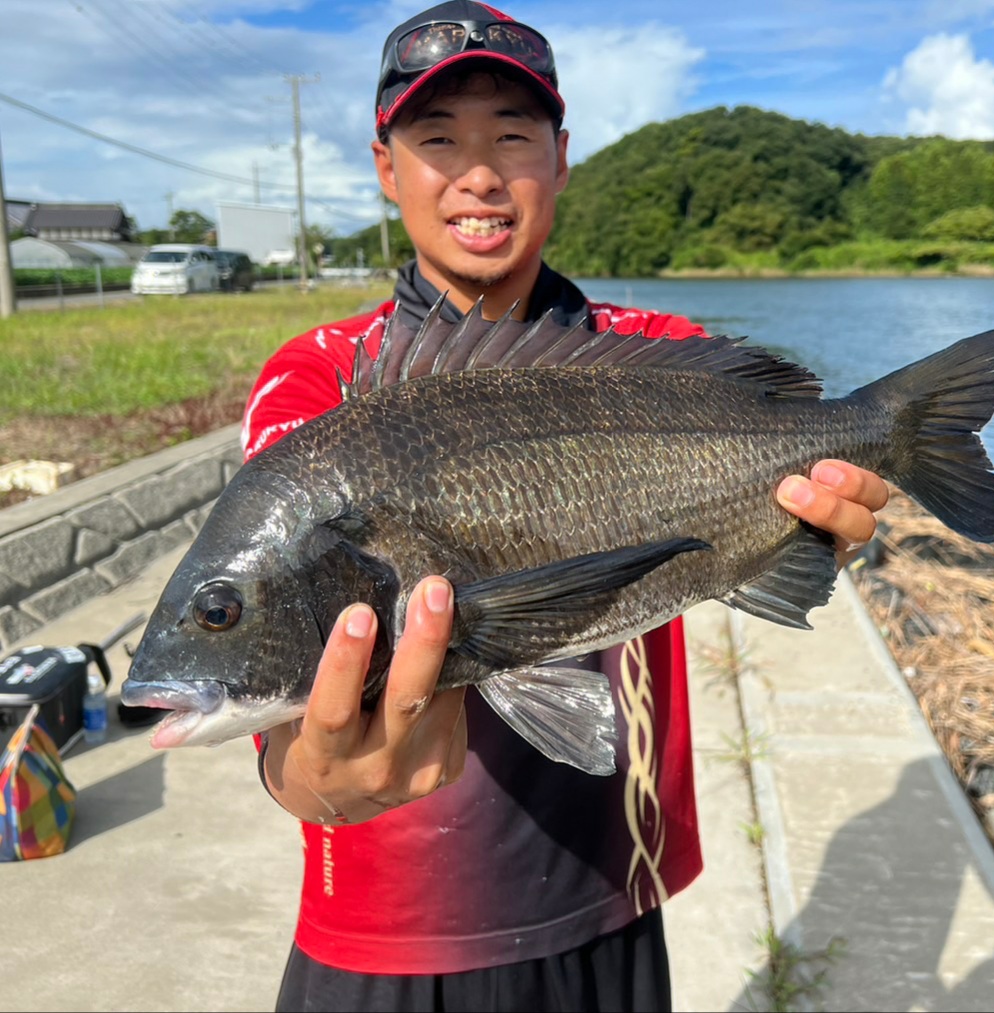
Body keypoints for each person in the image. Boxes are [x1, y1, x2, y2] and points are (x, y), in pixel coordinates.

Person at [242, 3, 890, 1011]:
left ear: (560, 156)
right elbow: (269, 624)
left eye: (511, 135)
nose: (478, 172)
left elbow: (766, 487)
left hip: (611, 894)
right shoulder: (320, 387)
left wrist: (807, 533)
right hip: (388, 938)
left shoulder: (658, 350)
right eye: (437, 138)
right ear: (385, 168)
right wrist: (309, 770)